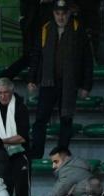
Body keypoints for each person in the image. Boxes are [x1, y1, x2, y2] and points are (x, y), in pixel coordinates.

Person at [27, 0, 94, 158]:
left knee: (66, 120)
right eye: (58, 13)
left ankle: (62, 155)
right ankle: (36, 154)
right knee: (40, 120)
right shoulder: (45, 29)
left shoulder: (79, 30)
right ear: (53, 14)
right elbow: (36, 55)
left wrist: (86, 86)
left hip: (69, 84)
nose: (61, 17)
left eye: (63, 13)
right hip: (48, 82)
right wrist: (31, 79)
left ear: (68, 13)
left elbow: (87, 60)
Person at [0, 77, 30, 196]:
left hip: (20, 155)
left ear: (11, 92)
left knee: (22, 194)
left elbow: (22, 137)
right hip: (2, 156)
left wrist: (0, 141)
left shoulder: (21, 107)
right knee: (3, 193)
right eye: (0, 93)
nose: (3, 96)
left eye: (5, 92)